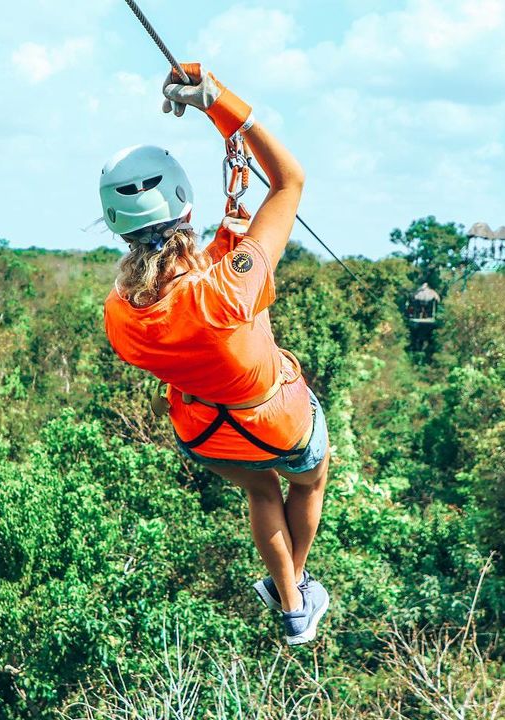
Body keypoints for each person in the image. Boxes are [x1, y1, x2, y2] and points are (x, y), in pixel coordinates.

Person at [100, 63, 330, 645]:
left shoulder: (120, 314)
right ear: (182, 204)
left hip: (203, 433)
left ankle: (292, 603)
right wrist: (223, 103)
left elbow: (181, 295)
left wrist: (227, 240)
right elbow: (289, 182)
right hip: (275, 419)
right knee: (307, 484)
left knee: (259, 489)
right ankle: (294, 592)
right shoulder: (229, 287)